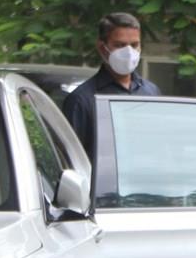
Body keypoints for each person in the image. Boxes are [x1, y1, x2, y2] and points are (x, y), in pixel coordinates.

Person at [63, 12, 161, 161]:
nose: (129, 52)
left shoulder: (151, 92)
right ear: (102, 48)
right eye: (120, 45)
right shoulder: (82, 100)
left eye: (134, 45)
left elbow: (159, 145)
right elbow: (73, 160)